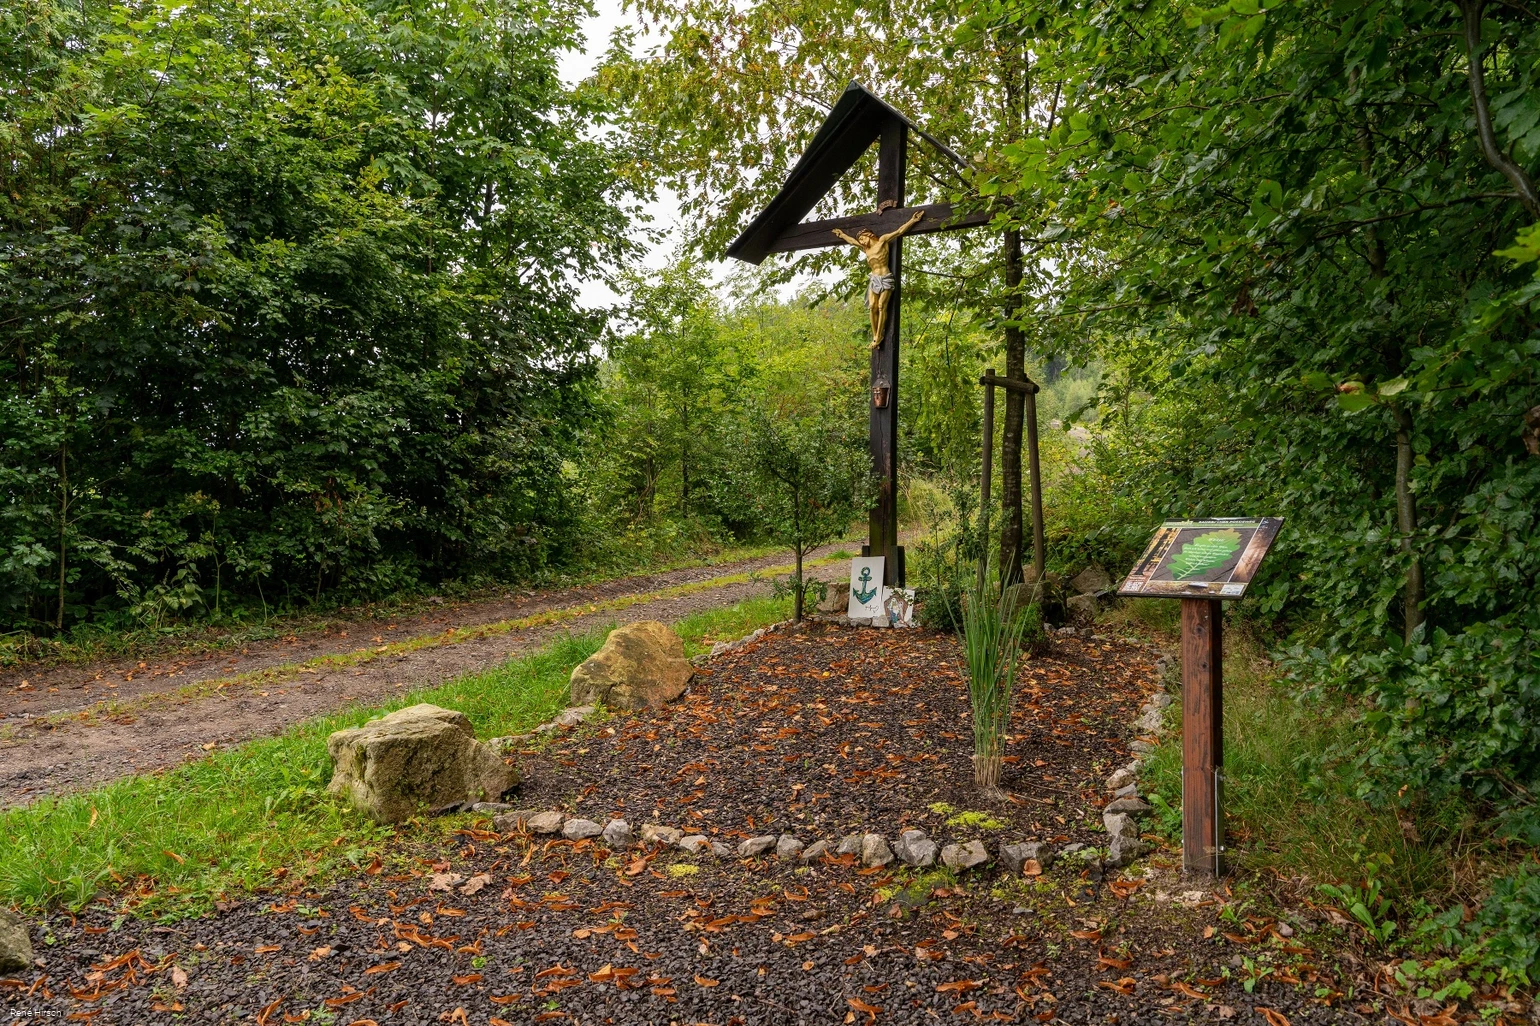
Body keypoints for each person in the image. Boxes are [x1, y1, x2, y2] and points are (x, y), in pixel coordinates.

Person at [832, 208, 925, 348]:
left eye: (862, 238)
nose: (862, 242)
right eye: (860, 240)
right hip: (874, 279)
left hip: (885, 277)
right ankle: (875, 335)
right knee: (872, 306)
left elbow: (899, 231)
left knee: (882, 306)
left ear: (869, 235)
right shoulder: (866, 250)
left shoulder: (882, 241)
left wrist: (913, 220)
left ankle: (879, 335)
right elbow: (852, 241)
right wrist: (842, 235)